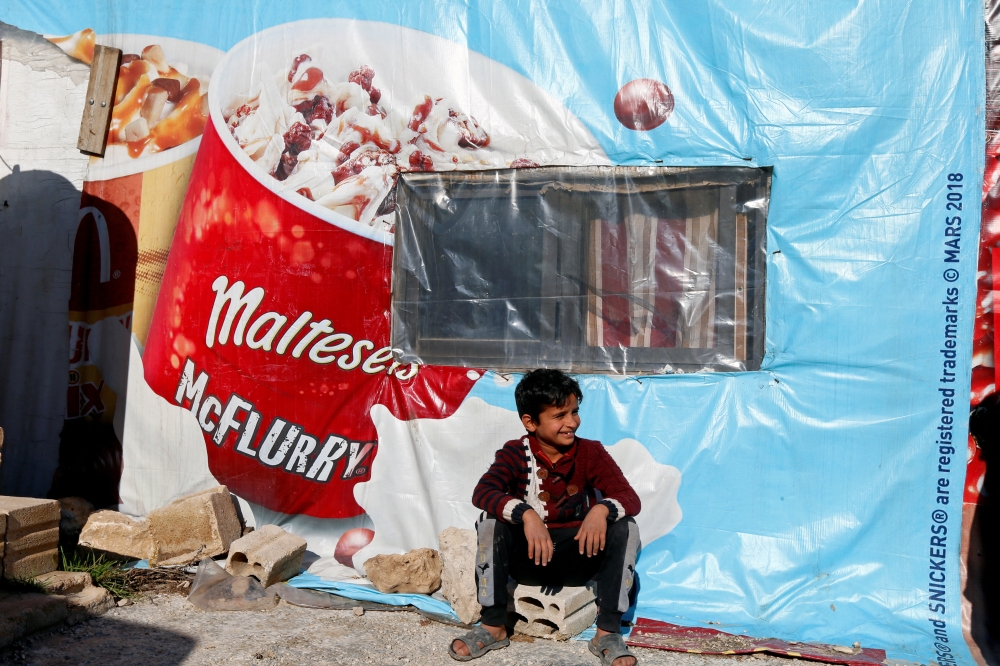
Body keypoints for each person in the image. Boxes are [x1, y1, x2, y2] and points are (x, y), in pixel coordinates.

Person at [449, 369, 641, 666]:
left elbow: (629, 497)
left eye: (575, 412)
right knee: (490, 521)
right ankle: (493, 626)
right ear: (530, 421)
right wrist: (527, 515)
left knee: (626, 526)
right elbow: (483, 491)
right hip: (529, 563)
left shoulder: (590, 453)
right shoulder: (514, 453)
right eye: (560, 415)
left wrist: (600, 510)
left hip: (579, 560)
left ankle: (607, 633)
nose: (572, 422)